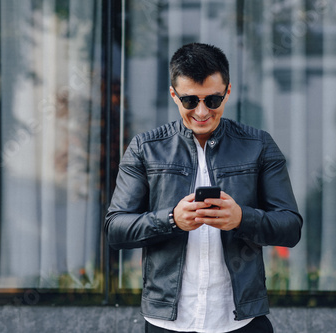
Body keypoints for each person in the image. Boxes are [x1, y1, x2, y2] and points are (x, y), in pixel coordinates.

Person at [105, 43, 302, 333]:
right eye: (189, 101)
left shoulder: (258, 145)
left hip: (240, 320)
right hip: (168, 321)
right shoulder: (145, 148)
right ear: (174, 95)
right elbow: (116, 230)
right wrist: (172, 220)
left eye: (212, 100)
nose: (201, 111)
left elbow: (290, 227)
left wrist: (241, 218)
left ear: (228, 92)